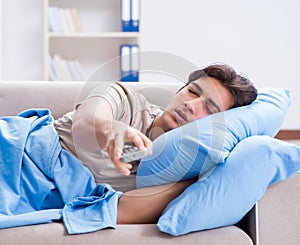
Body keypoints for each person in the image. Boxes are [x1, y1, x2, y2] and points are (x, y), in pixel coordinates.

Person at [53, 63, 257, 224]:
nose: (190, 105)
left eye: (209, 109)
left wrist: (195, 182)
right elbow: (85, 121)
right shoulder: (125, 99)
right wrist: (110, 128)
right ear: (179, 90)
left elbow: (120, 213)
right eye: (193, 92)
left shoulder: (180, 169)